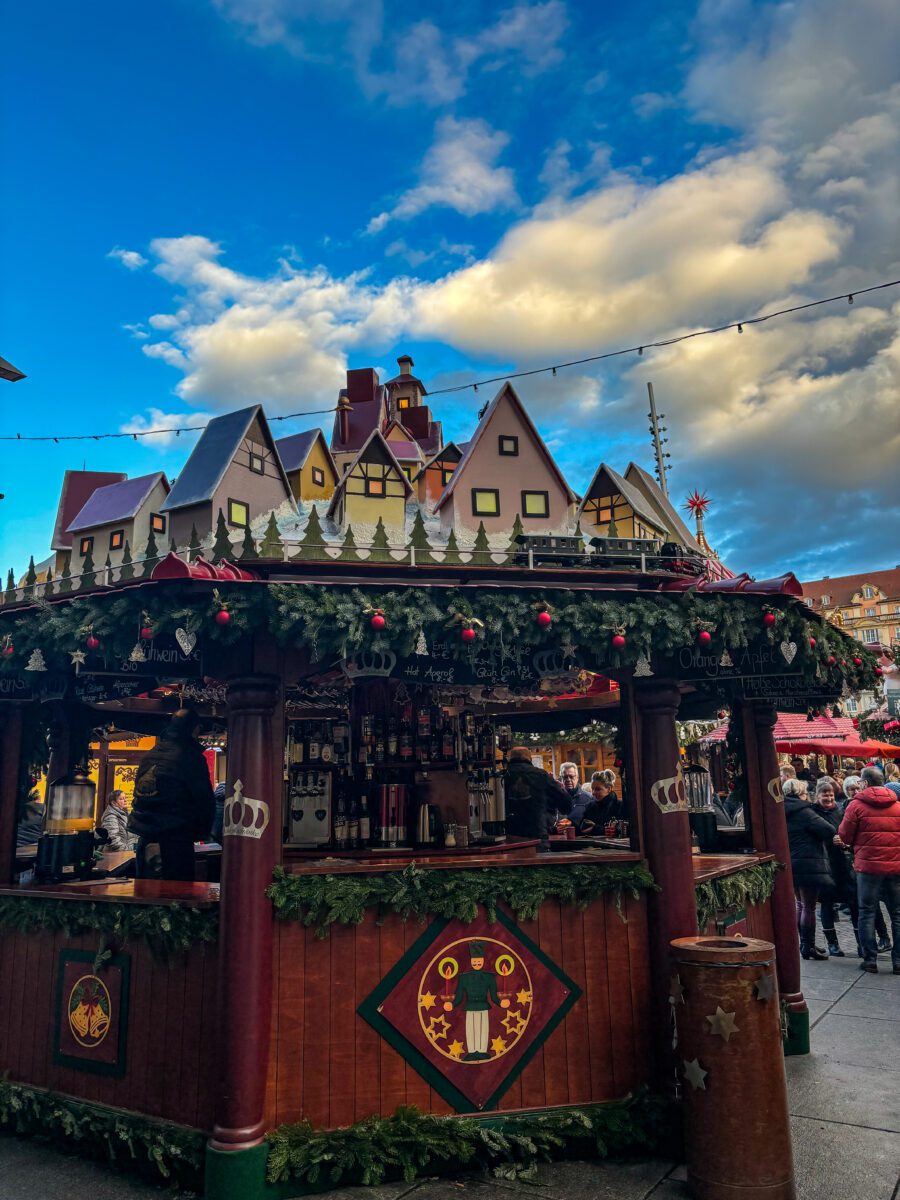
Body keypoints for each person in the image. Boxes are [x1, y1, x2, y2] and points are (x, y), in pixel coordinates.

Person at [129, 709, 215, 881]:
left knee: (146, 895)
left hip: (145, 838)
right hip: (176, 840)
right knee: (177, 898)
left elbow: (139, 794)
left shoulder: (150, 755)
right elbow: (204, 800)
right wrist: (202, 832)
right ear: (194, 729)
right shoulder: (190, 757)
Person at [838, 766, 900, 974]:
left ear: (864, 783)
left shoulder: (856, 806)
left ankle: (870, 958)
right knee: (897, 914)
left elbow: (845, 836)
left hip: (867, 867)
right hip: (895, 866)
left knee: (867, 912)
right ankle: (898, 961)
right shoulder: (898, 806)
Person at [783, 777, 834, 961]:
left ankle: (803, 944)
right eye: (805, 793)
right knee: (809, 907)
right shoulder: (804, 812)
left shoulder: (781, 811)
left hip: (792, 863)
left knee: (800, 904)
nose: (807, 796)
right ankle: (808, 946)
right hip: (809, 863)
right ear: (799, 794)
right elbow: (828, 830)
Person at [812, 777, 852, 956]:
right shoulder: (813, 813)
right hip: (824, 864)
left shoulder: (840, 811)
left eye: (830, 795)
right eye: (824, 795)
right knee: (827, 905)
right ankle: (833, 944)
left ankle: (860, 944)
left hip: (842, 864)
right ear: (817, 796)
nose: (828, 798)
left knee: (853, 901)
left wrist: (845, 842)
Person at [504, 747, 571, 850]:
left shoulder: (501, 776)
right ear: (530, 758)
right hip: (536, 837)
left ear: (509, 758)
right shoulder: (541, 775)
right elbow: (566, 803)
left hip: (507, 839)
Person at [559, 762, 592, 829]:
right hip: (557, 837)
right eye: (565, 777)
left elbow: (590, 822)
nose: (568, 780)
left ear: (577, 778)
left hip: (580, 837)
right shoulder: (555, 798)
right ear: (561, 778)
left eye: (571, 777)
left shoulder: (588, 798)